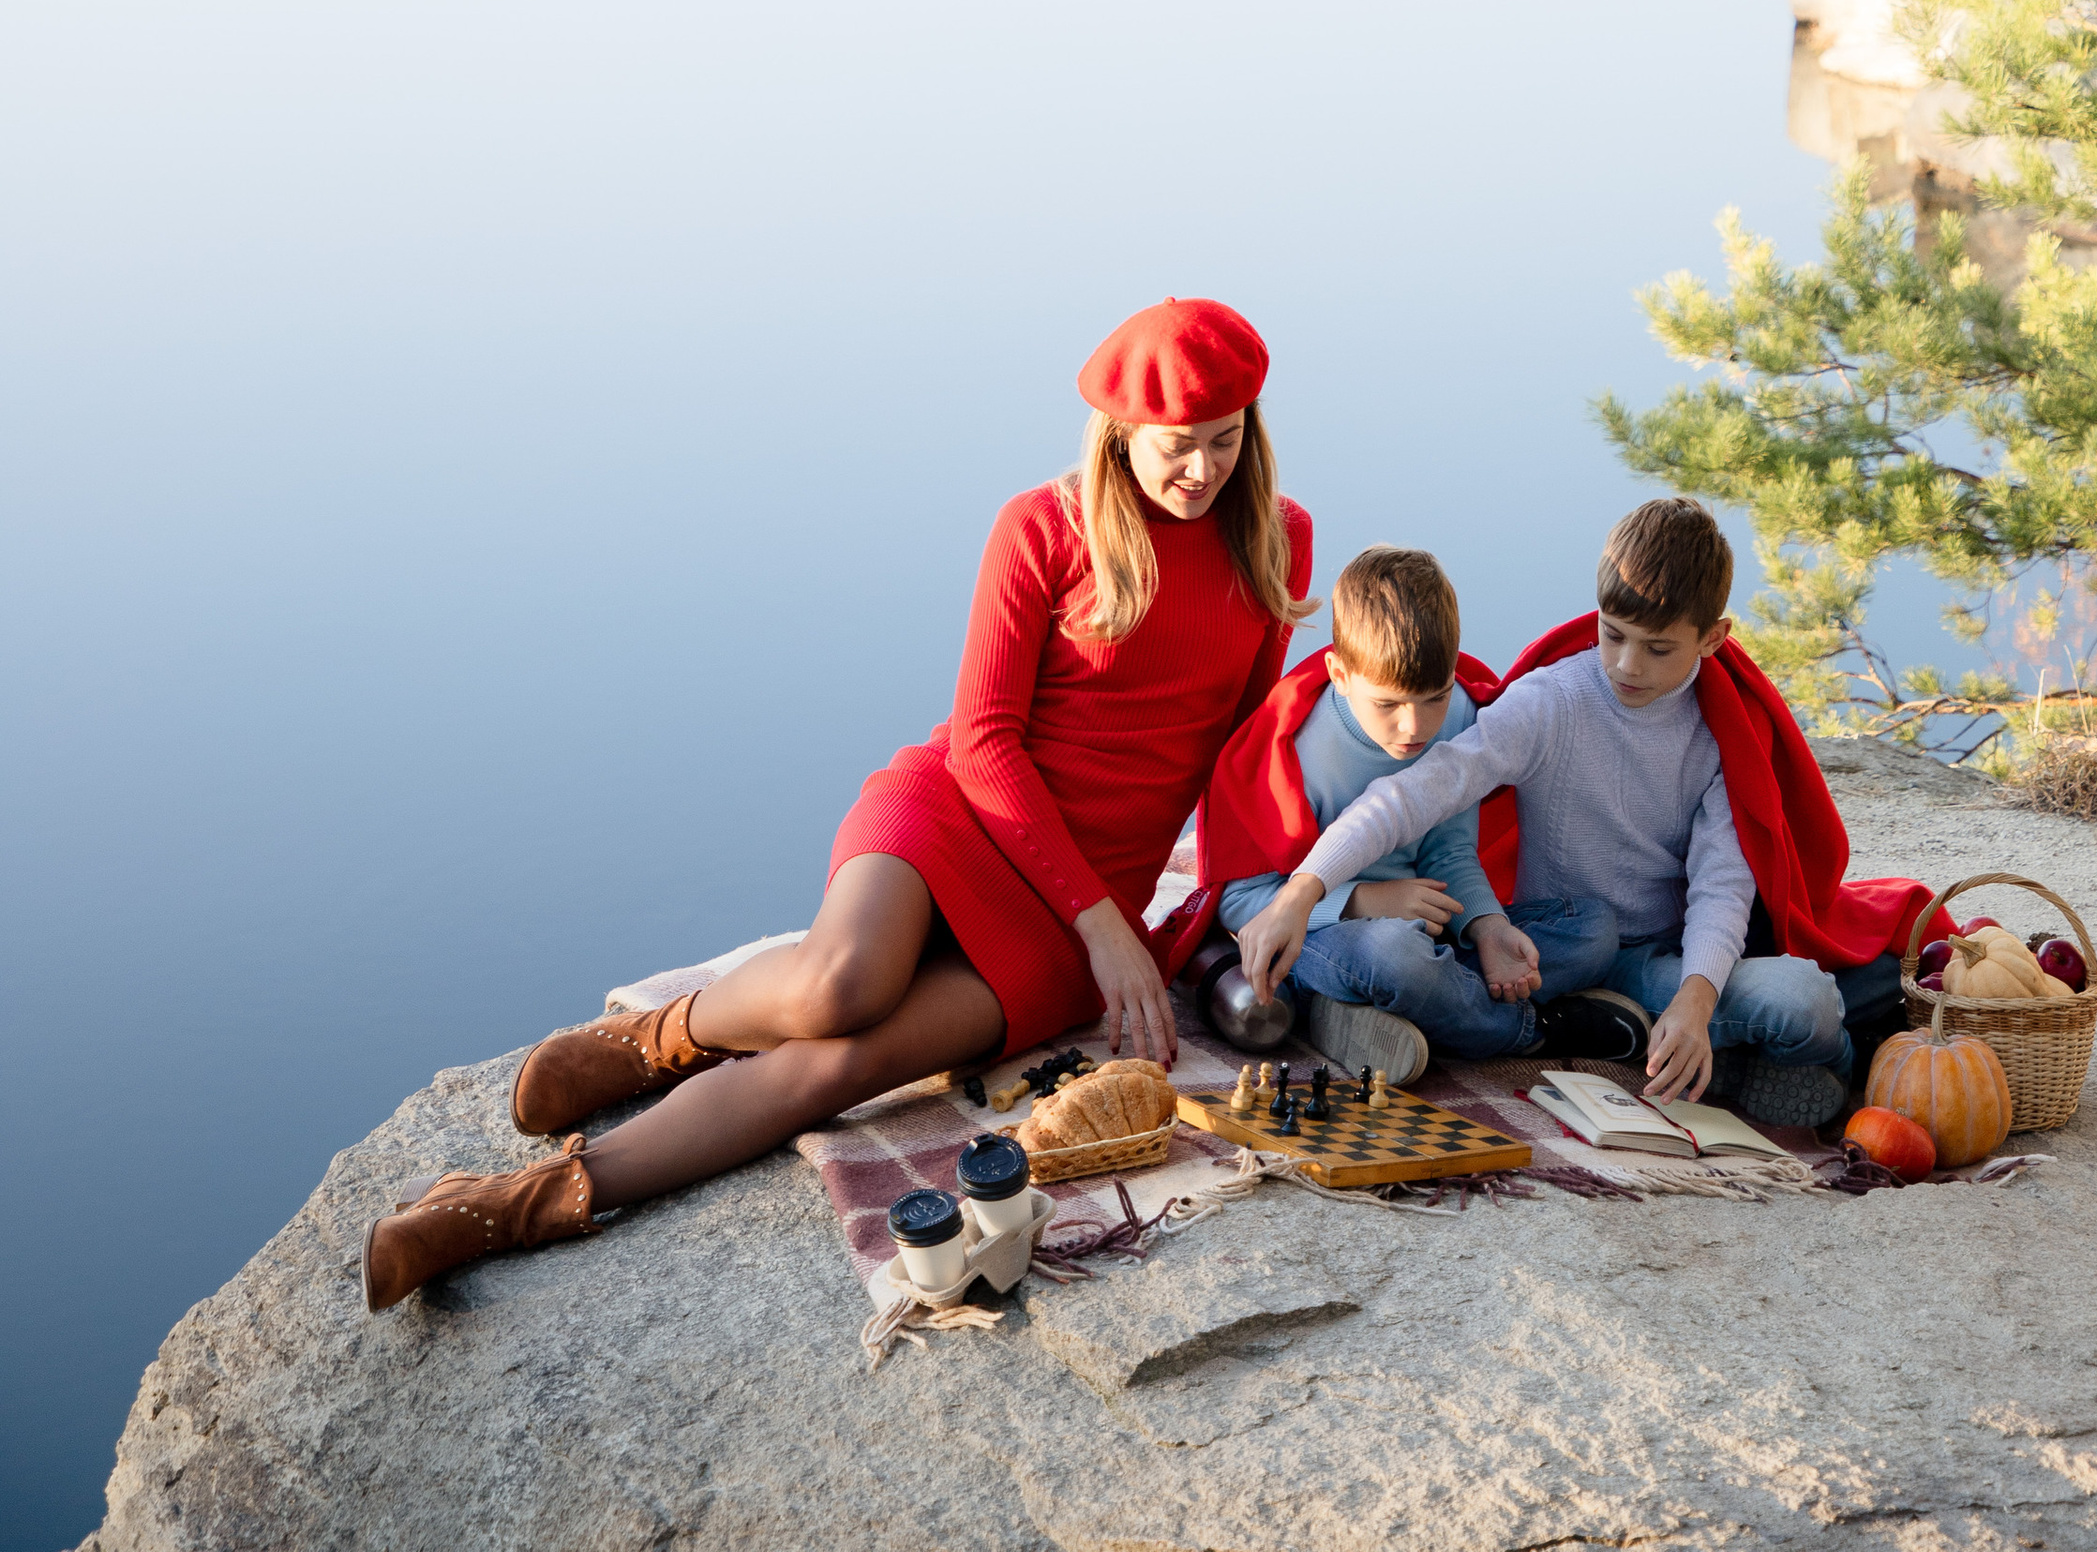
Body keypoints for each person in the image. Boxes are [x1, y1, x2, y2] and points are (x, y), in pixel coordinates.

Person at [364, 296, 1311, 1307]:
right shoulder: (1043, 526)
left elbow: (1243, 755)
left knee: (833, 1073)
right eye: (1176, 447)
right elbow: (985, 740)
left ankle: (502, 1206)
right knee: (837, 989)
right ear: (1120, 435)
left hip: (1084, 904)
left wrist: (1284, 890)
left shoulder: (1275, 539)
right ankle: (660, 1037)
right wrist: (1103, 928)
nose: (1201, 471)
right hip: (960, 812)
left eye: (1222, 441)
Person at [1236, 496, 1930, 1131]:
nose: (1627, 664)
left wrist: (1694, 998)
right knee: (1451, 952)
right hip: (1567, 954)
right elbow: (1426, 788)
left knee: (1801, 1002)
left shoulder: (1722, 734)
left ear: (1712, 639)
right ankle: (1690, 1047)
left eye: (1658, 648)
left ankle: (1798, 1060)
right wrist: (1306, 888)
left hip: (1665, 966)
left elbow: (1724, 880)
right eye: (1613, 633)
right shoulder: (1552, 703)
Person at [1197, 543, 1616, 1079]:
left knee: (1595, 929)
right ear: (1340, 673)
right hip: (1334, 941)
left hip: (1430, 933)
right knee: (1393, 955)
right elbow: (1242, 903)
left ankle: (1410, 1009)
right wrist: (1364, 901)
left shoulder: (1460, 712)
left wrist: (1487, 927)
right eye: (1388, 704)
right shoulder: (1294, 749)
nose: (1414, 728)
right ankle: (1528, 1031)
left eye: (1434, 698)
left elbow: (1449, 849)